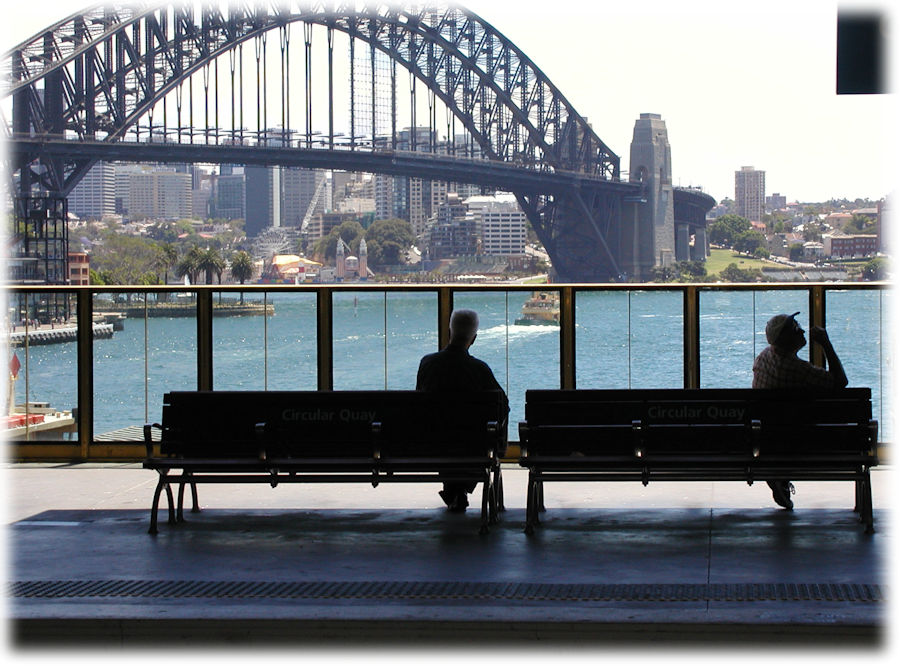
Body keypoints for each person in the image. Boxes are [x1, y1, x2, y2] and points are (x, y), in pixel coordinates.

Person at [752, 311, 848, 510]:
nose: (802, 330)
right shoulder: (799, 370)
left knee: (782, 424)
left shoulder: (763, 358)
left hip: (763, 439)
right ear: (786, 338)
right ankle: (781, 475)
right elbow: (841, 381)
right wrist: (825, 344)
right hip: (798, 441)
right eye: (796, 328)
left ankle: (780, 476)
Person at [416, 309, 509, 512]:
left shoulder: (427, 364)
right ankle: (459, 489)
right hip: (473, 446)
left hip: (433, 444)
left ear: (450, 331)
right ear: (473, 339)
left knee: (446, 430)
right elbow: (503, 405)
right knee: (467, 436)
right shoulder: (479, 369)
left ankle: (454, 490)